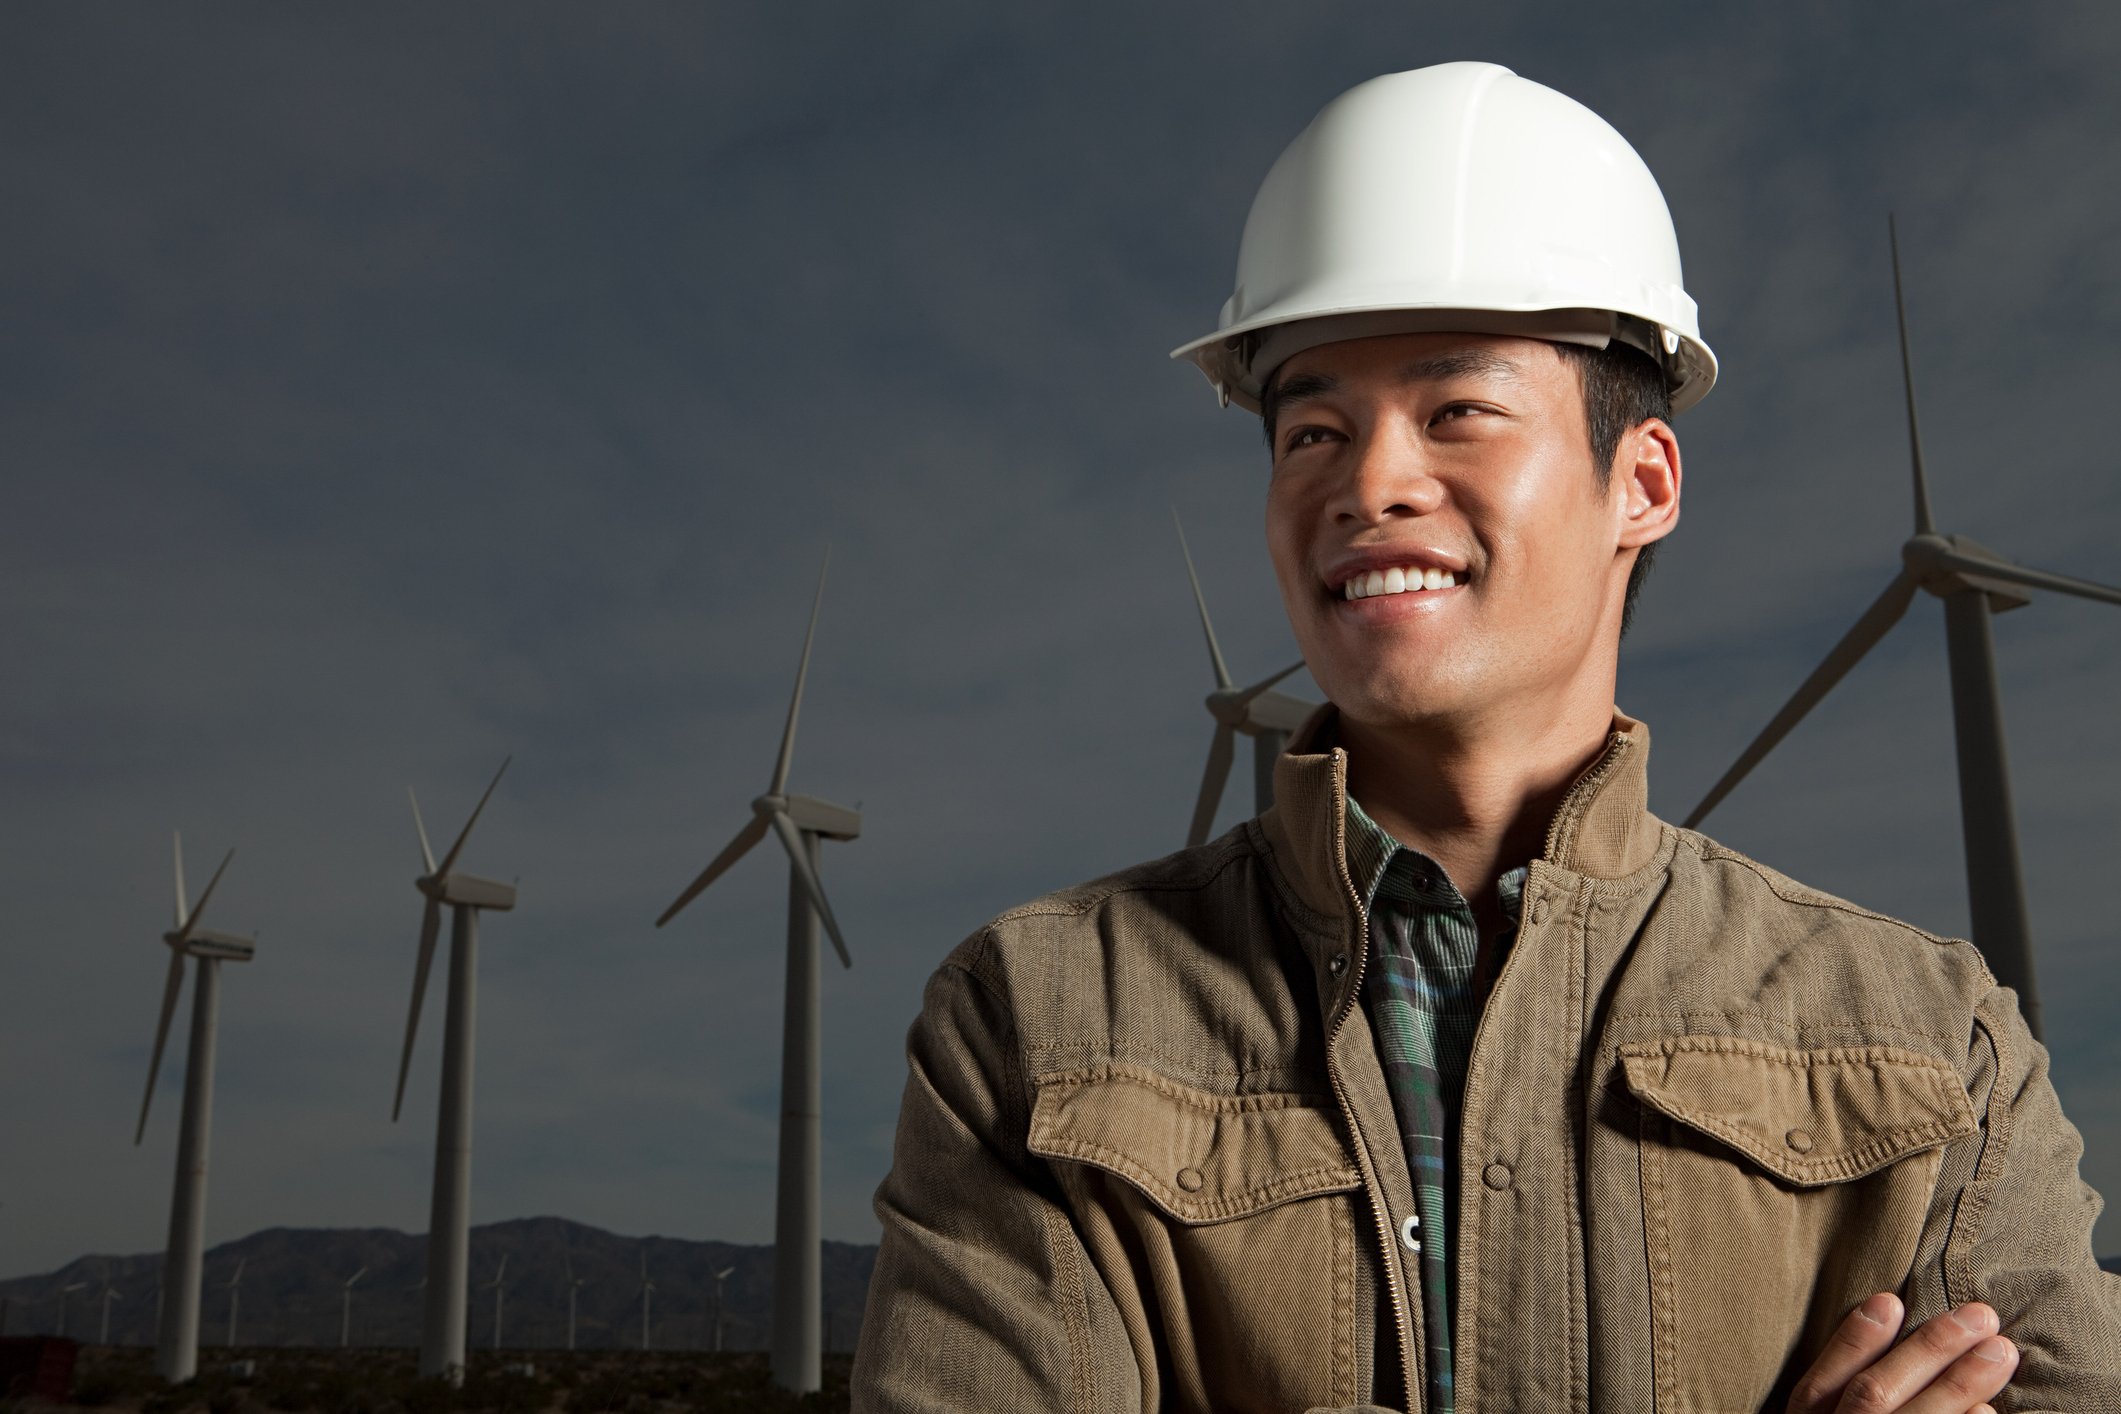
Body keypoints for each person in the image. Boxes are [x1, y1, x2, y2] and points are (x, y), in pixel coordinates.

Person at [850, 62, 2121, 1413]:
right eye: (1312, 430)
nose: (1367, 482)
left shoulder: (1930, 1040)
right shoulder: (1035, 1021)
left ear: (1638, 482)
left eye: (1456, 411)